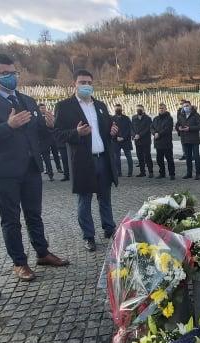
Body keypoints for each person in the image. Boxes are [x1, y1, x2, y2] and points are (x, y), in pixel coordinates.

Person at [0, 54, 70, 282]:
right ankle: (19, 262)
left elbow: (37, 134)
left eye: (13, 72)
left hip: (31, 167)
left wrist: (51, 126)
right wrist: (8, 126)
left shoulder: (27, 100)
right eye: (4, 73)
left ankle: (42, 252)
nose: (10, 77)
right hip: (4, 171)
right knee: (11, 219)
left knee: (34, 214)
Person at [53, 70, 119, 251]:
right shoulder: (64, 106)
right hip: (83, 161)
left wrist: (113, 133)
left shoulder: (100, 105)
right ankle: (89, 236)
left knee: (105, 198)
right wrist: (76, 133)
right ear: (74, 84)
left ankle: (109, 228)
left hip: (103, 159)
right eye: (82, 82)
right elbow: (57, 135)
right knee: (84, 201)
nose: (86, 85)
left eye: (89, 82)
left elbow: (105, 131)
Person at [176, 102, 200, 180]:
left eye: (187, 106)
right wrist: (179, 128)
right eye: (184, 106)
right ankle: (189, 173)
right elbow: (177, 125)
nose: (185, 107)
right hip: (185, 139)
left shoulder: (196, 115)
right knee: (188, 157)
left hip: (194, 139)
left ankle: (198, 174)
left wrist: (190, 128)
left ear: (191, 106)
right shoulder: (181, 115)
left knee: (196, 157)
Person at [37, 103, 61, 181]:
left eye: (44, 108)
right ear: (38, 109)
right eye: (41, 108)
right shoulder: (37, 118)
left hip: (52, 139)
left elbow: (55, 126)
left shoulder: (50, 116)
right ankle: (50, 174)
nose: (43, 109)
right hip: (43, 141)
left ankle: (59, 167)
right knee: (46, 158)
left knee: (56, 155)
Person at [151, 103, 175, 180]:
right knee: (159, 159)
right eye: (160, 108)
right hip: (158, 143)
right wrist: (154, 133)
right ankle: (162, 173)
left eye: (162, 108)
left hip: (166, 142)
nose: (161, 109)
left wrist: (159, 134)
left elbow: (167, 129)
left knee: (169, 159)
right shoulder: (155, 118)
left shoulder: (169, 118)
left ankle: (172, 174)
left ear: (165, 109)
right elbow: (152, 127)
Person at [111, 103, 133, 177]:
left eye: (119, 108)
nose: (118, 110)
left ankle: (130, 172)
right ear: (114, 109)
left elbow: (129, 129)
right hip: (115, 141)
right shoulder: (111, 119)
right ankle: (119, 172)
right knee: (116, 158)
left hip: (126, 140)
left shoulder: (126, 118)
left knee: (129, 157)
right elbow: (110, 130)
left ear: (121, 109)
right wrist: (116, 137)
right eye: (117, 109)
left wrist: (123, 137)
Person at [131, 104, 153, 178]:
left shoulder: (148, 118)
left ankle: (150, 172)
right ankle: (142, 172)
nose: (138, 110)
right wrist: (134, 135)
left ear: (143, 110)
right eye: (137, 109)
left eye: (140, 109)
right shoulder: (133, 118)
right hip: (137, 141)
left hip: (145, 140)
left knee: (147, 156)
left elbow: (148, 129)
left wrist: (139, 135)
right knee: (139, 157)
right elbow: (132, 128)